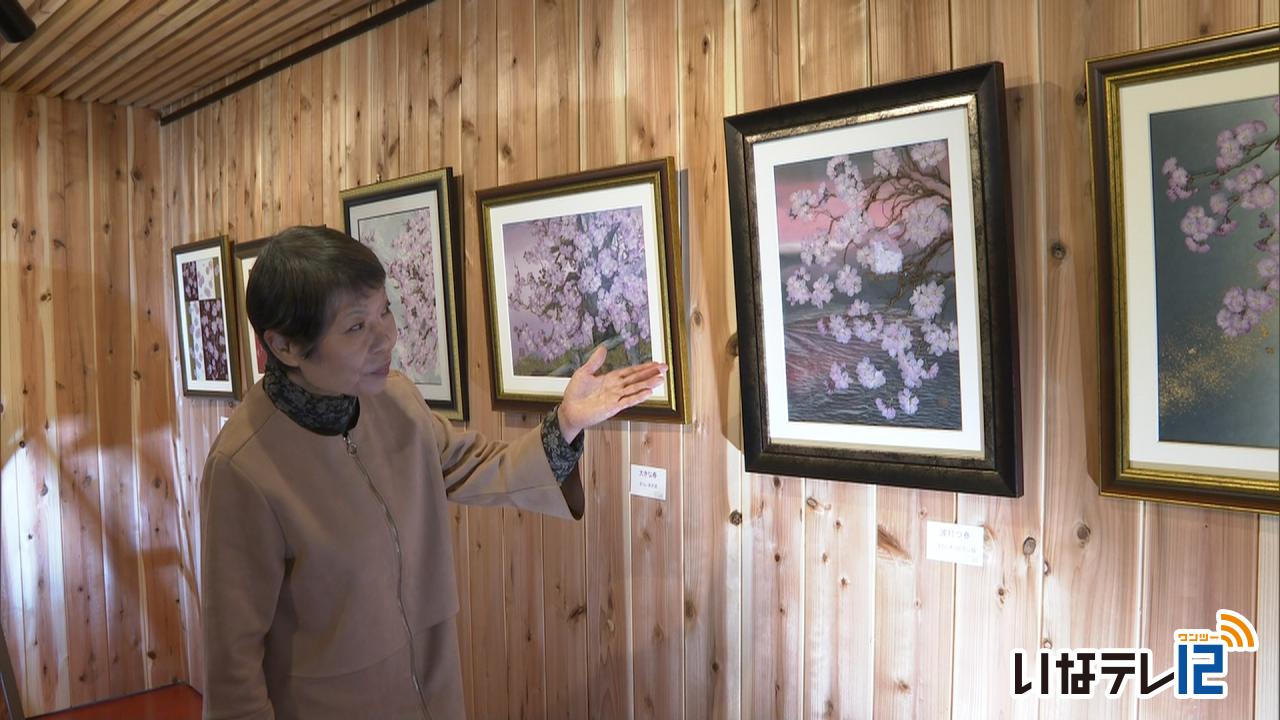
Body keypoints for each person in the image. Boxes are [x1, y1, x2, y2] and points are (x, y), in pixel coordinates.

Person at [199, 225, 665, 720]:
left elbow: (477, 466)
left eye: (386, 312)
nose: (386, 340)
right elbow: (233, 670)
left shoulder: (395, 400)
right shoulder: (244, 468)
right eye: (356, 327)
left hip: (431, 691)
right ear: (286, 347)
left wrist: (565, 422)